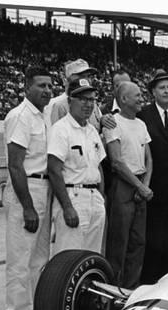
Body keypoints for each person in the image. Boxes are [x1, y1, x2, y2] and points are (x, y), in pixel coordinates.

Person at [3, 66, 53, 310]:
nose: (47, 90)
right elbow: (14, 165)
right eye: (41, 86)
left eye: (49, 86)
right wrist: (28, 206)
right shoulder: (20, 116)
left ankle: (32, 309)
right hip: (27, 188)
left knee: (39, 257)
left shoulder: (43, 117)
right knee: (20, 256)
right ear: (26, 88)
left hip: (43, 186)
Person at [138, 70, 168, 284]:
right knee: (152, 234)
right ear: (153, 92)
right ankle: (149, 280)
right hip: (153, 183)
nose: (167, 91)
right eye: (163, 88)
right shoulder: (144, 115)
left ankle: (167, 279)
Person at [47, 78, 107, 255]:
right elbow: (54, 169)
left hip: (93, 197)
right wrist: (67, 207)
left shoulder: (92, 130)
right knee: (68, 256)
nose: (88, 104)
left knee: (91, 255)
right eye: (82, 99)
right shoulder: (61, 129)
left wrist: (101, 198)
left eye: (91, 100)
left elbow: (99, 167)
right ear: (69, 101)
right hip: (73, 196)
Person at [104, 82, 153, 289]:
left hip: (141, 185)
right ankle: (114, 289)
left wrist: (145, 186)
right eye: (137, 95)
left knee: (138, 242)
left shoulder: (141, 124)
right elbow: (116, 161)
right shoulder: (113, 123)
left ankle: (131, 287)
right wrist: (138, 186)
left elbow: (149, 159)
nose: (141, 99)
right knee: (119, 242)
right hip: (124, 185)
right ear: (124, 99)